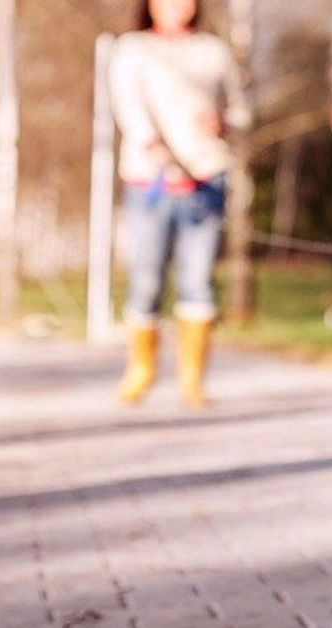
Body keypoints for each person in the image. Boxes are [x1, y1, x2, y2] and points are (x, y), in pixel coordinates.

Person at [110, 0, 250, 407]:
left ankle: (192, 379)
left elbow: (242, 110)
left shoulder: (213, 51)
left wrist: (224, 122)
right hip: (149, 179)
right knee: (147, 277)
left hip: (206, 177)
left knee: (198, 278)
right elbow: (129, 109)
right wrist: (161, 158)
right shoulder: (132, 48)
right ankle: (141, 370)